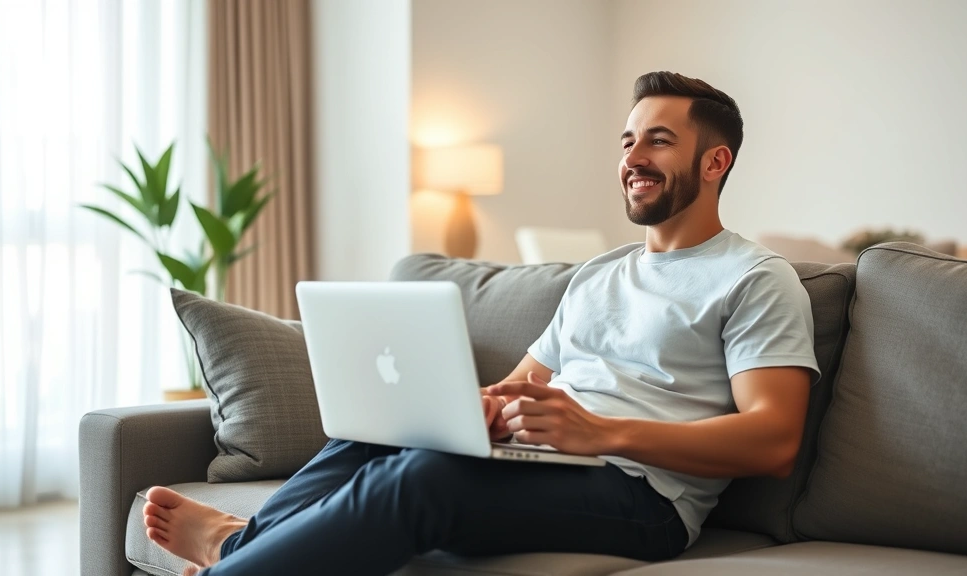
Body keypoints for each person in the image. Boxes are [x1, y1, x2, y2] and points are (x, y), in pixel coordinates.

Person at [141, 71, 819, 576]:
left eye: (659, 141)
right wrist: (484, 410)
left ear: (714, 161)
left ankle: (232, 558)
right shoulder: (599, 274)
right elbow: (521, 385)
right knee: (375, 440)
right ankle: (237, 546)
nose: (634, 157)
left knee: (426, 476)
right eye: (628, 140)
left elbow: (773, 439)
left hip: (646, 498)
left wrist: (603, 432)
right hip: (549, 464)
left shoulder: (755, 277)